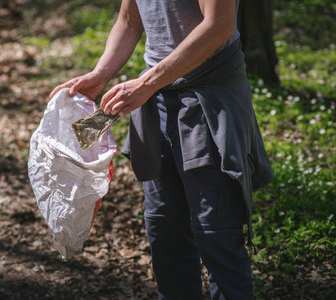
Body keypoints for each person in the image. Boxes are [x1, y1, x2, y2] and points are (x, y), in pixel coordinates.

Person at [50, 0, 274, 299]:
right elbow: (129, 21)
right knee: (165, 231)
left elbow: (218, 27)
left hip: (209, 101)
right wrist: (101, 73)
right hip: (158, 102)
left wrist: (146, 83)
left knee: (215, 233)